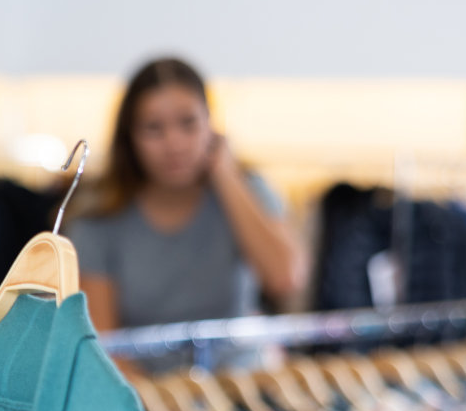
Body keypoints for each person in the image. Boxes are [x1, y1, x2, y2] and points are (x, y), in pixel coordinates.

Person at [71, 57, 306, 332]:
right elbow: (103, 346)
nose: (174, 143)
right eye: (154, 128)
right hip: (137, 376)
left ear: (210, 124)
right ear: (129, 137)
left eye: (188, 123)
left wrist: (227, 175)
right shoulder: (98, 218)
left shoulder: (247, 189)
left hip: (239, 373)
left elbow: (286, 278)